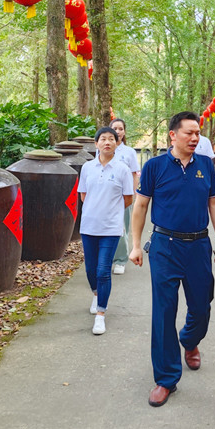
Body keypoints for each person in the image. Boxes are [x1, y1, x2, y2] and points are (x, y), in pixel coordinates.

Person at [130, 111, 215, 407]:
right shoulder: (155, 167)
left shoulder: (206, 165)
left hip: (199, 245)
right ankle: (165, 378)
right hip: (164, 246)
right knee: (163, 311)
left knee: (201, 307)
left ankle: (190, 339)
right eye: (189, 133)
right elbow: (141, 205)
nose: (195, 138)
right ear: (173, 135)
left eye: (198, 133)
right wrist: (135, 245)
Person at [79, 127, 135, 335]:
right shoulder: (87, 168)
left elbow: (128, 199)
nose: (107, 142)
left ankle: (101, 314)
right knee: (90, 270)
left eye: (111, 139)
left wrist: (110, 212)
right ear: (96, 144)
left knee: (103, 270)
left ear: (116, 143)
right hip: (89, 226)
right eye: (103, 139)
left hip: (111, 228)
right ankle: (96, 294)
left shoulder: (122, 169)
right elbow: (83, 195)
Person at [110, 118, 141, 275]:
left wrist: (134, 194)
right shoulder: (103, 149)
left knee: (122, 227)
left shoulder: (129, 152)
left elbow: (134, 175)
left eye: (120, 128)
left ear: (124, 131)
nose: (118, 131)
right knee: (106, 228)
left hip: (124, 196)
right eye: (114, 128)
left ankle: (121, 260)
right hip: (106, 196)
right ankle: (108, 258)